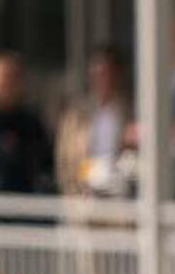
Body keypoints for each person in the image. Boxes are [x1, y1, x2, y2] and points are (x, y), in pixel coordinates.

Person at [55, 45, 133, 196]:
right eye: (98, 74)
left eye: (108, 73)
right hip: (84, 197)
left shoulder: (130, 112)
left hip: (119, 199)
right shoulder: (76, 114)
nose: (103, 80)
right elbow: (64, 160)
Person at [0, 53, 53, 193]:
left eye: (12, 81)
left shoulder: (30, 119)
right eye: (1, 82)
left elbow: (42, 155)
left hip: (26, 194)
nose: (7, 88)